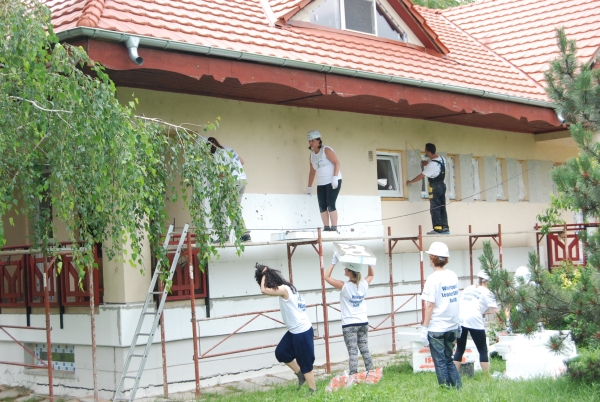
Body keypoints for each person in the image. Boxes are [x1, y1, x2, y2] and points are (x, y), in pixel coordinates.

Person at [254, 263, 317, 394]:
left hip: (302, 331)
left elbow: (264, 290)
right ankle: (300, 374)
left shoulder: (284, 289)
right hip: (294, 331)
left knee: (305, 363)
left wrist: (264, 274)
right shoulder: (288, 289)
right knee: (281, 352)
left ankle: (313, 390)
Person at [324, 252, 375, 375]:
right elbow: (371, 274)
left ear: (350, 272)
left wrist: (333, 263)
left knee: (353, 352)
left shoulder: (344, 286)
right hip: (363, 321)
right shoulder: (363, 284)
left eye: (346, 268)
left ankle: (353, 375)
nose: (344, 269)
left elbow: (326, 277)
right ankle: (371, 372)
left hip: (349, 324)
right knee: (365, 349)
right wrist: (369, 263)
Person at [420, 241, 462, 388]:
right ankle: (457, 389)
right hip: (452, 326)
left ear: (433, 258)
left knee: (440, 362)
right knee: (449, 359)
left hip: (437, 327)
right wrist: (458, 321)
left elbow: (430, 305)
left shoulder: (432, 279)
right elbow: (455, 299)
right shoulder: (452, 275)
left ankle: (445, 390)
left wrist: (424, 328)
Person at [454, 270, 498, 376]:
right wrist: (502, 326)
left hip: (460, 317)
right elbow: (496, 311)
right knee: (482, 349)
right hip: (474, 318)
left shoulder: (468, 288)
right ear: (489, 281)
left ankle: (455, 376)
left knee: (460, 348)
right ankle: (486, 376)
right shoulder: (488, 293)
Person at [207, 137, 251, 242]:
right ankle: (244, 235)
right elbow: (242, 161)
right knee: (235, 209)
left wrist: (215, 178)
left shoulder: (216, 154)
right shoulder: (228, 149)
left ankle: (224, 236)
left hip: (234, 182)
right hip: (243, 180)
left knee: (220, 207)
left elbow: (225, 171)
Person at [405, 143, 450, 235]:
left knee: (435, 207)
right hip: (442, 185)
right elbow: (435, 164)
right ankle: (445, 228)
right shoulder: (442, 159)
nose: (425, 152)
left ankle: (437, 229)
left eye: (425, 150)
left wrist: (410, 182)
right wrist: (427, 163)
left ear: (428, 151)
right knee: (442, 207)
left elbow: (421, 176)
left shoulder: (431, 165)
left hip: (434, 187)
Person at [306, 130, 342, 232]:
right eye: (309, 141)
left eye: (312, 141)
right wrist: (309, 186)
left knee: (330, 202)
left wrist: (335, 177)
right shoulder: (312, 155)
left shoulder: (326, 150)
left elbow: (337, 163)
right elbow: (312, 172)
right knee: (322, 205)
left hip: (333, 181)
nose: (311, 143)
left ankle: (334, 227)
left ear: (318, 140)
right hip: (321, 183)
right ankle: (326, 227)